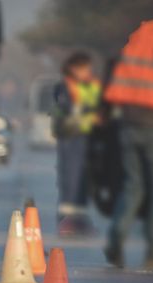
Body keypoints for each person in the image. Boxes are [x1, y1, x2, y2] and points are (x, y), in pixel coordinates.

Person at [102, 16, 153, 272]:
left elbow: (120, 75)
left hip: (129, 120)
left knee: (134, 186)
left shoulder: (141, 35)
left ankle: (115, 239)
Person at [52, 52, 103, 237]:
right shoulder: (65, 86)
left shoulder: (92, 85)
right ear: (73, 68)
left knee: (84, 180)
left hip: (89, 136)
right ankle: (67, 221)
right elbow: (70, 112)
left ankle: (79, 221)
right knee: (71, 178)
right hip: (72, 136)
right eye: (84, 68)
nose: (88, 72)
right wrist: (93, 116)